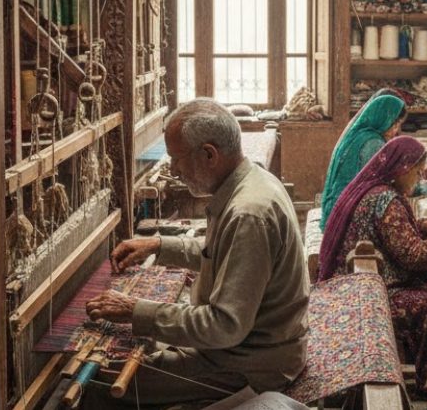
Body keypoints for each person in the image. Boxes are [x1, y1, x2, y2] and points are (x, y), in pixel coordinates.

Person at [84, 98, 309, 407]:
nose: (173, 170)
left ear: (208, 155)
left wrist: (135, 309)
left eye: (176, 159)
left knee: (95, 382)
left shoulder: (248, 214)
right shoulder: (253, 181)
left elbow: (223, 327)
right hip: (248, 348)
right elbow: (221, 252)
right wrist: (159, 245)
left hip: (248, 367)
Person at [317, 136, 427, 392]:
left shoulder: (376, 187)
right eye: (417, 173)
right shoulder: (386, 200)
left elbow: (398, 231)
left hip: (353, 280)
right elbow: (414, 255)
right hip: (366, 292)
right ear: (402, 169)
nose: (419, 181)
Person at [319, 93, 427, 230]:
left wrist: (417, 174)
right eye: (395, 124)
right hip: (347, 219)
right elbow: (393, 185)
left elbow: (387, 173)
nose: (397, 130)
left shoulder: (359, 135)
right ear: (383, 119)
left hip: (337, 211)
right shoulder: (372, 143)